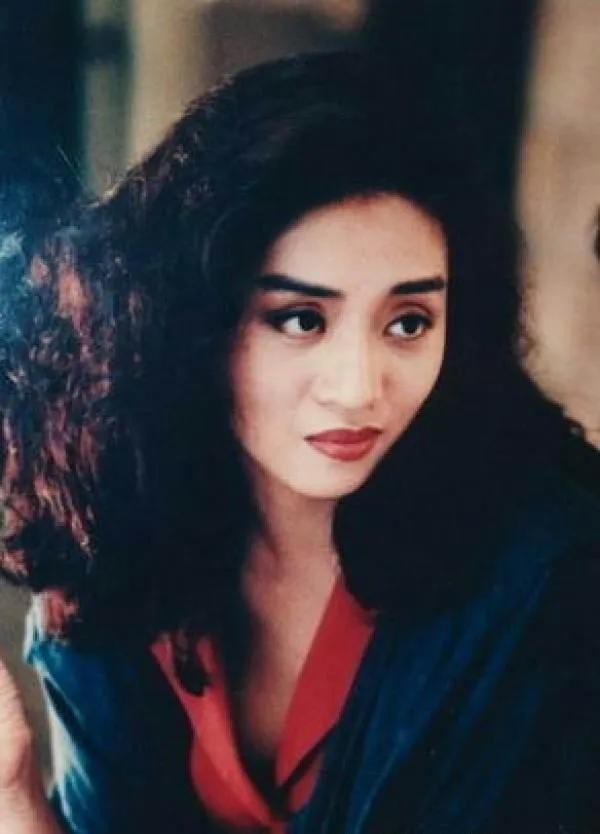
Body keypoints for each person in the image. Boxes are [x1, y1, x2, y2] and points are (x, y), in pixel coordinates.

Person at [0, 51, 599, 834]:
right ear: (188, 323)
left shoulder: (549, 577)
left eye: (408, 323)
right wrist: (16, 795)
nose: (357, 387)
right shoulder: (113, 539)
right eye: (300, 319)